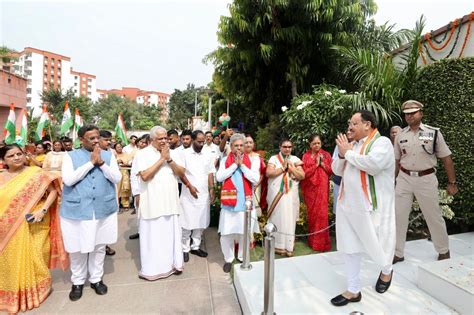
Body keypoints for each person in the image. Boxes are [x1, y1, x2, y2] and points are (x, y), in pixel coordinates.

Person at [330, 110, 396, 307]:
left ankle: (386, 270)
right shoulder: (353, 145)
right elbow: (336, 169)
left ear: (367, 125)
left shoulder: (381, 143)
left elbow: (373, 165)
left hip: (372, 207)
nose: (350, 127)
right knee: (349, 247)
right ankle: (353, 290)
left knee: (379, 244)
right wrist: (342, 155)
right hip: (348, 205)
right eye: (349, 123)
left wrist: (347, 153)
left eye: (354, 123)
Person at [0, 144, 69, 313]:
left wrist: (42, 210)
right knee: (10, 259)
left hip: (35, 222)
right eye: (11, 156)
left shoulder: (36, 174)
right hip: (6, 225)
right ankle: (13, 294)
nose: (17, 157)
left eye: (19, 154)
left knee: (36, 255)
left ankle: (36, 291)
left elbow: (53, 191)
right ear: (3, 160)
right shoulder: (1, 177)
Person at [60, 125, 122, 301]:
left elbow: (117, 178)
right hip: (77, 210)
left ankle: (96, 279)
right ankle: (78, 282)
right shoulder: (70, 157)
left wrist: (101, 163)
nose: (96, 141)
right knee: (77, 248)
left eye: (97, 137)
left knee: (99, 246)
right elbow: (69, 180)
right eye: (91, 138)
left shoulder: (109, 156)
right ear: (81, 140)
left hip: (102, 209)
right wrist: (90, 163)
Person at [393, 100, 458, 264]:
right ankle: (397, 253)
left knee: (434, 216)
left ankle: (443, 251)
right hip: (404, 178)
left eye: (413, 112)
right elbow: (396, 161)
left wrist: (452, 182)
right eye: (407, 113)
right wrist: (394, 181)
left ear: (421, 113)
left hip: (426, 178)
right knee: (398, 216)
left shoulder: (433, 133)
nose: (409, 116)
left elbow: (447, 159)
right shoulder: (400, 135)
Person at [134, 126, 185, 280]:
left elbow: (181, 173)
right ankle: (152, 270)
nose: (164, 141)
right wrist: (162, 159)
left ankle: (172, 265)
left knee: (170, 236)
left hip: (170, 202)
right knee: (153, 238)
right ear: (151, 140)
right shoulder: (142, 154)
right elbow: (145, 176)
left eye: (166, 138)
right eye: (160, 139)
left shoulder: (174, 153)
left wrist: (169, 159)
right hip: (152, 203)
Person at [216, 133, 260, 273]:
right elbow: (219, 177)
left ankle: (241, 256)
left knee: (244, 232)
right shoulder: (225, 160)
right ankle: (228, 258)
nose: (239, 148)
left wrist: (243, 166)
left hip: (246, 203)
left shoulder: (253, 160)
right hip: (229, 204)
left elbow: (255, 178)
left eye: (242, 145)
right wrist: (235, 165)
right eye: (236, 145)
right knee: (226, 233)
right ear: (231, 146)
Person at [180, 130, 216, 262]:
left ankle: (195, 246)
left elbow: (210, 172)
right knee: (186, 221)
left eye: (203, 142)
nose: (201, 144)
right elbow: (181, 173)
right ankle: (184, 248)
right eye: (199, 141)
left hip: (203, 193)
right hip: (188, 194)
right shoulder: (184, 154)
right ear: (192, 140)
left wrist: (212, 188)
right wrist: (189, 186)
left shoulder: (207, 154)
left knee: (200, 222)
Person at [266, 139, 305, 257]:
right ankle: (277, 245)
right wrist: (283, 168)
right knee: (278, 217)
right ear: (280, 147)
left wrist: (292, 169)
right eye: (284, 146)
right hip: (277, 194)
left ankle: (288, 246)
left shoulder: (295, 160)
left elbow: (302, 175)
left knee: (289, 218)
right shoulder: (273, 159)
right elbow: (269, 173)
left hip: (290, 195)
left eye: (289, 147)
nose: (287, 149)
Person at [301, 134, 332, 252]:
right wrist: (315, 165)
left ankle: (322, 243)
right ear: (310, 144)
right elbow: (305, 174)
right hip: (310, 190)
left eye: (318, 143)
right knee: (313, 214)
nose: (316, 145)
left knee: (322, 215)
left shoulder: (326, 155)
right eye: (314, 143)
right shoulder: (306, 156)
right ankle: (312, 241)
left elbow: (331, 171)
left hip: (322, 188)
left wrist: (323, 164)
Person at [98, 129, 117, 256]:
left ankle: (105, 246)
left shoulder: (110, 154)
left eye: (110, 140)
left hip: (108, 191)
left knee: (105, 223)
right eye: (106, 140)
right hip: (93, 193)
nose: (108, 142)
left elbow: (115, 176)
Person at [243, 135, 265, 241]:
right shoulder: (239, 156)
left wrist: (257, 184)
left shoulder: (258, 157)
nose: (248, 144)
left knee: (254, 209)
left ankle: (252, 238)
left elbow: (262, 173)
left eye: (250, 142)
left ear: (253, 144)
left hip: (256, 186)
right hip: (243, 186)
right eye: (246, 142)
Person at [129, 134, 150, 239]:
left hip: (152, 190)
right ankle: (140, 231)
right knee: (140, 212)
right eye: (141, 142)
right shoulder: (138, 155)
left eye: (145, 142)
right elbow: (134, 175)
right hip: (140, 190)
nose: (142, 144)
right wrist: (136, 193)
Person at [332, 127, 354, 214]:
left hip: (352, 183)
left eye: (351, 131)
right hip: (339, 180)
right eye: (347, 131)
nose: (348, 132)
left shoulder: (361, 145)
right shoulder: (339, 145)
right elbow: (335, 164)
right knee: (339, 208)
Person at [114, 142, 132, 210]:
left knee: (125, 188)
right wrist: (116, 162)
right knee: (117, 189)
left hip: (125, 173)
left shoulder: (126, 155)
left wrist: (125, 164)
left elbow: (130, 163)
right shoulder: (113, 155)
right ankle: (117, 204)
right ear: (115, 148)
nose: (119, 148)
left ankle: (126, 205)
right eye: (118, 147)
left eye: (120, 147)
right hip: (116, 173)